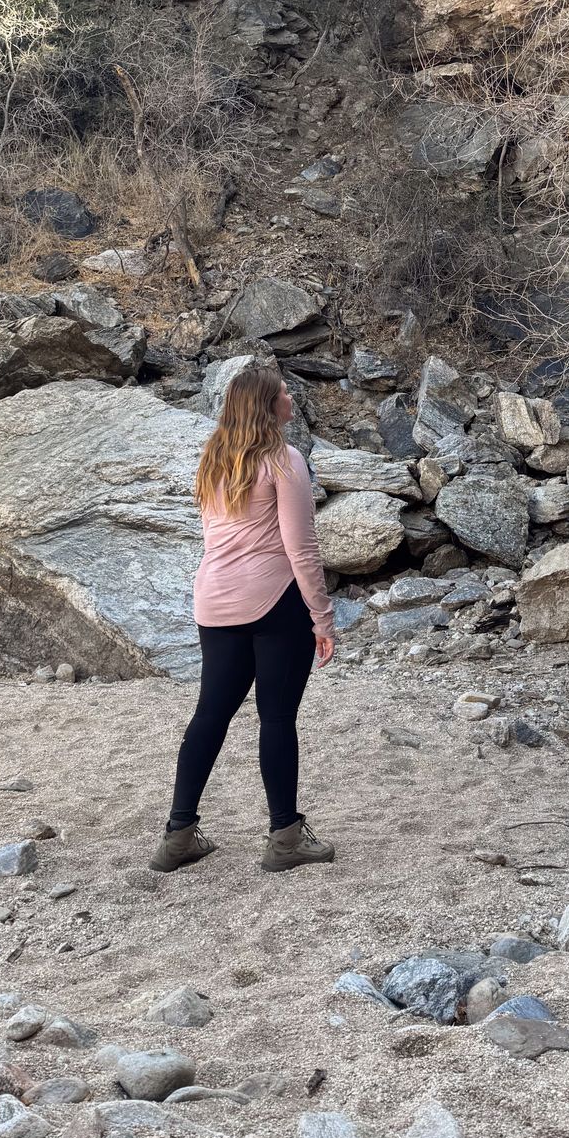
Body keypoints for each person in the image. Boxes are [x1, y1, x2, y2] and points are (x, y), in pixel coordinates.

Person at [150, 363, 336, 874]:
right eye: (283, 393)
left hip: (214, 600)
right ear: (266, 404)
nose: (291, 399)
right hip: (275, 600)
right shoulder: (284, 459)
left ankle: (178, 836)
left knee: (210, 713)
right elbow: (301, 547)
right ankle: (285, 838)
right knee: (275, 717)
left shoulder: (212, 458)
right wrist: (322, 617)